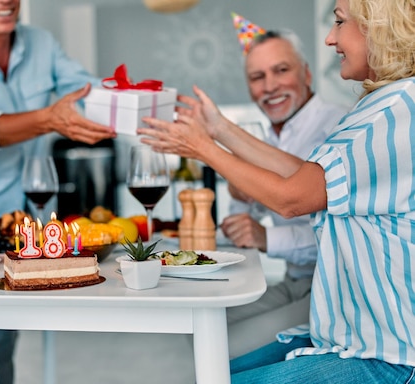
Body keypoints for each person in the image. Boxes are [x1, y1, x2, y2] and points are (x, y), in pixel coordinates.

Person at [139, 0, 415, 381]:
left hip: (389, 351)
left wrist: (203, 148)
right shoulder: (382, 104)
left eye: (339, 22)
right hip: (355, 331)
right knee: (218, 366)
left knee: (220, 372)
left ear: (378, 26)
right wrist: (217, 131)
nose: (331, 39)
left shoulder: (395, 109)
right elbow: (303, 175)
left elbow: (293, 198)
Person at [0, 0, 116, 231]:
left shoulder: (42, 42)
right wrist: (49, 119)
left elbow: (87, 89)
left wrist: (145, 99)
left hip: (40, 214)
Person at [221, 29, 348, 357]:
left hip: (334, 292)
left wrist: (266, 237)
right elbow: (239, 219)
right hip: (294, 282)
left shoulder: (338, 127)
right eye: (257, 77)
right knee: (204, 326)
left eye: (281, 70)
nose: (270, 86)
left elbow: (334, 236)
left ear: (305, 72)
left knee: (225, 351)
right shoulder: (266, 139)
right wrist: (239, 190)